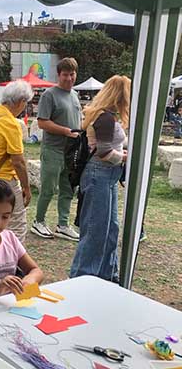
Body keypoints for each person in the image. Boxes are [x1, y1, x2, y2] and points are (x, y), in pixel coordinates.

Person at [70, 75, 131, 282]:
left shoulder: (104, 115)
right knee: (96, 232)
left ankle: (105, 276)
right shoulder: (106, 118)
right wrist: (126, 157)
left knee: (110, 228)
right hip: (100, 173)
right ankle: (83, 278)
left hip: (104, 175)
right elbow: (104, 152)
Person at [30, 57, 82, 242]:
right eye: (65, 75)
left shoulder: (75, 95)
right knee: (49, 188)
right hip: (53, 149)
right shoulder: (49, 95)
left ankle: (63, 224)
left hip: (71, 151)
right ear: (59, 75)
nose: (69, 78)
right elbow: (42, 122)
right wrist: (66, 132)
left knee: (68, 189)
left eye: (72, 74)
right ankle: (39, 221)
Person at [0, 80, 33, 242]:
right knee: (16, 225)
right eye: (26, 103)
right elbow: (18, 162)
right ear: (21, 101)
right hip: (5, 181)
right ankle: (13, 262)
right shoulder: (10, 123)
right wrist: (26, 187)